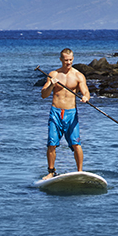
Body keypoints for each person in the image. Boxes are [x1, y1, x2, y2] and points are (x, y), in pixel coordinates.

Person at [41, 48, 90, 180]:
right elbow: (44, 95)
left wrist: (85, 97)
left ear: (73, 59)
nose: (68, 62)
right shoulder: (54, 74)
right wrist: (51, 84)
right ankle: (51, 172)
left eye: (70, 60)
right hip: (56, 112)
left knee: (76, 144)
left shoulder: (78, 75)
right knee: (51, 143)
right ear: (61, 59)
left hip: (71, 113)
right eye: (65, 60)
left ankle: (80, 171)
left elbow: (86, 91)